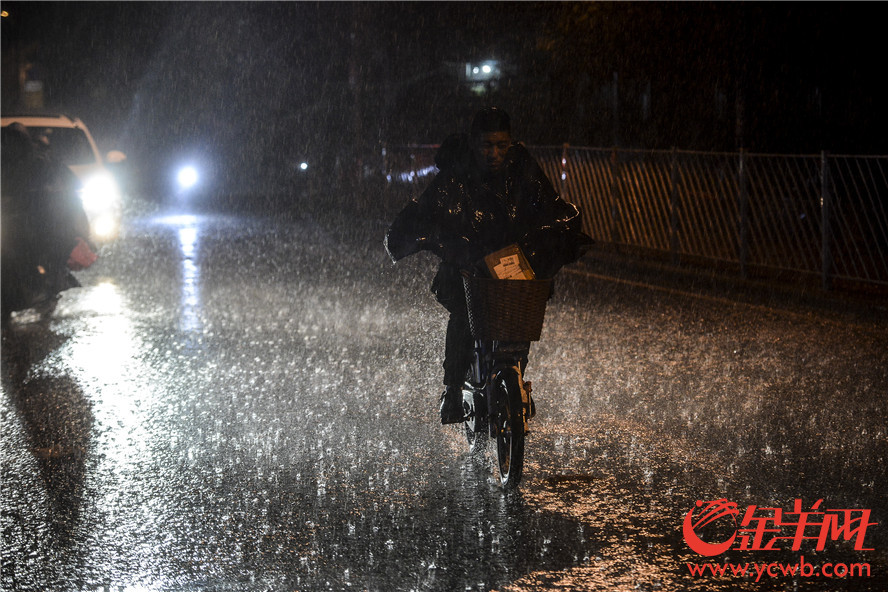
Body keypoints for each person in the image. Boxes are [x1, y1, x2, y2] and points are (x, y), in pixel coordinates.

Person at [384, 107, 593, 423]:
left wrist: (550, 238)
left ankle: (516, 379)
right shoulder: (455, 172)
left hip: (514, 265)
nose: (494, 153)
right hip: (467, 268)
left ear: (510, 143)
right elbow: (426, 212)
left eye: (501, 145)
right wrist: (444, 244)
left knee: (521, 313)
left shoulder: (522, 168)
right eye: (486, 146)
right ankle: (453, 389)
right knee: (464, 315)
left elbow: (551, 208)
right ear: (473, 143)